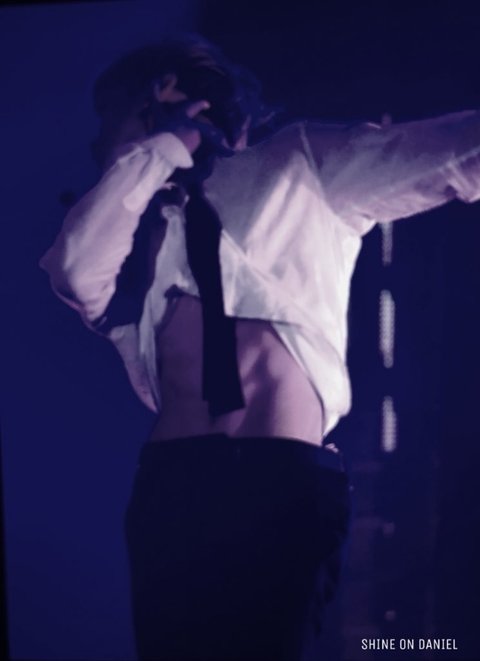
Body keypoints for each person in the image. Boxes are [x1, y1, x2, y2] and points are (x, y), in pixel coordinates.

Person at [40, 34, 480, 661]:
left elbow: (453, 153)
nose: (96, 144)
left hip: (282, 482)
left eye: (107, 118)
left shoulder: (299, 163)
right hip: (174, 488)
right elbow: (74, 268)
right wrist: (164, 149)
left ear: (160, 93)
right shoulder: (133, 230)